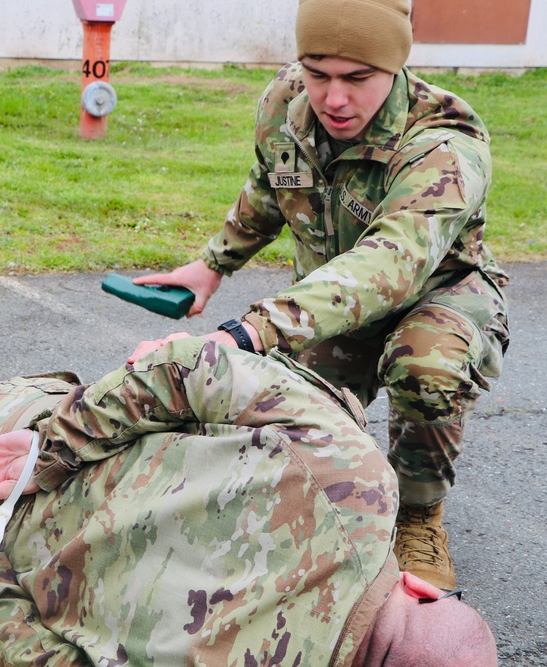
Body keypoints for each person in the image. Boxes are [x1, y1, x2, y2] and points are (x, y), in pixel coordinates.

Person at [0, 338, 497, 666]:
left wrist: (53, 446)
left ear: (422, 588)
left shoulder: (352, 466)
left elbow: (190, 365)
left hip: (14, 444)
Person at [131, 0, 509, 590]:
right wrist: (214, 264)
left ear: (395, 66)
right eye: (317, 72)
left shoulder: (444, 145)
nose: (334, 98)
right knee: (274, 426)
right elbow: (274, 180)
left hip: (434, 298)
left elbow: (391, 264)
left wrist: (251, 332)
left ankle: (418, 514)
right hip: (331, 305)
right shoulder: (288, 103)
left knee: (426, 365)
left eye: (358, 78)